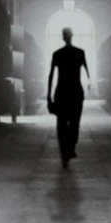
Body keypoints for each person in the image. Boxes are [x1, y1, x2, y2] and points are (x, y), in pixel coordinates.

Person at [47, 27, 90, 168]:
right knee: (75, 123)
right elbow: (87, 71)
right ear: (72, 36)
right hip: (76, 92)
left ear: (63, 37)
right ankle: (70, 147)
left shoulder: (57, 54)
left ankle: (64, 153)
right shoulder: (80, 53)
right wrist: (89, 85)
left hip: (61, 93)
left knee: (61, 124)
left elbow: (51, 75)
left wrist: (48, 95)